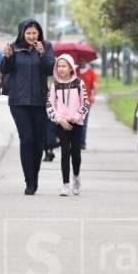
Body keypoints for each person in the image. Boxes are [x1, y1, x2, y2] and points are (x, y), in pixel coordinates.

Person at [1, 18, 56, 195]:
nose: (32, 36)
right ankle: (29, 181)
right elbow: (4, 70)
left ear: (39, 33)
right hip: (18, 101)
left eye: (35, 32)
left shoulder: (46, 47)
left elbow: (50, 70)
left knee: (39, 141)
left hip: (39, 100)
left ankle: (35, 176)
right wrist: (7, 57)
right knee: (26, 139)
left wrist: (42, 54)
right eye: (28, 33)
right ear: (22, 34)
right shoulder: (14, 48)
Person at [46, 54, 90, 196]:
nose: (61, 69)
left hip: (76, 124)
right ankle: (65, 184)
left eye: (64, 66)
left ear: (71, 68)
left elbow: (85, 104)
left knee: (75, 153)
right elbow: (49, 105)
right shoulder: (55, 85)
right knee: (65, 152)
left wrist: (76, 117)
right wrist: (59, 119)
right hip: (62, 124)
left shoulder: (79, 83)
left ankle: (76, 177)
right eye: (58, 66)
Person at [77, 62, 98, 150]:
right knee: (76, 122)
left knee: (84, 122)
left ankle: (82, 142)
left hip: (86, 100)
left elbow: (95, 85)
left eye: (84, 59)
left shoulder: (91, 72)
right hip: (75, 100)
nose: (82, 60)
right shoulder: (74, 71)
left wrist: (93, 95)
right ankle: (76, 141)